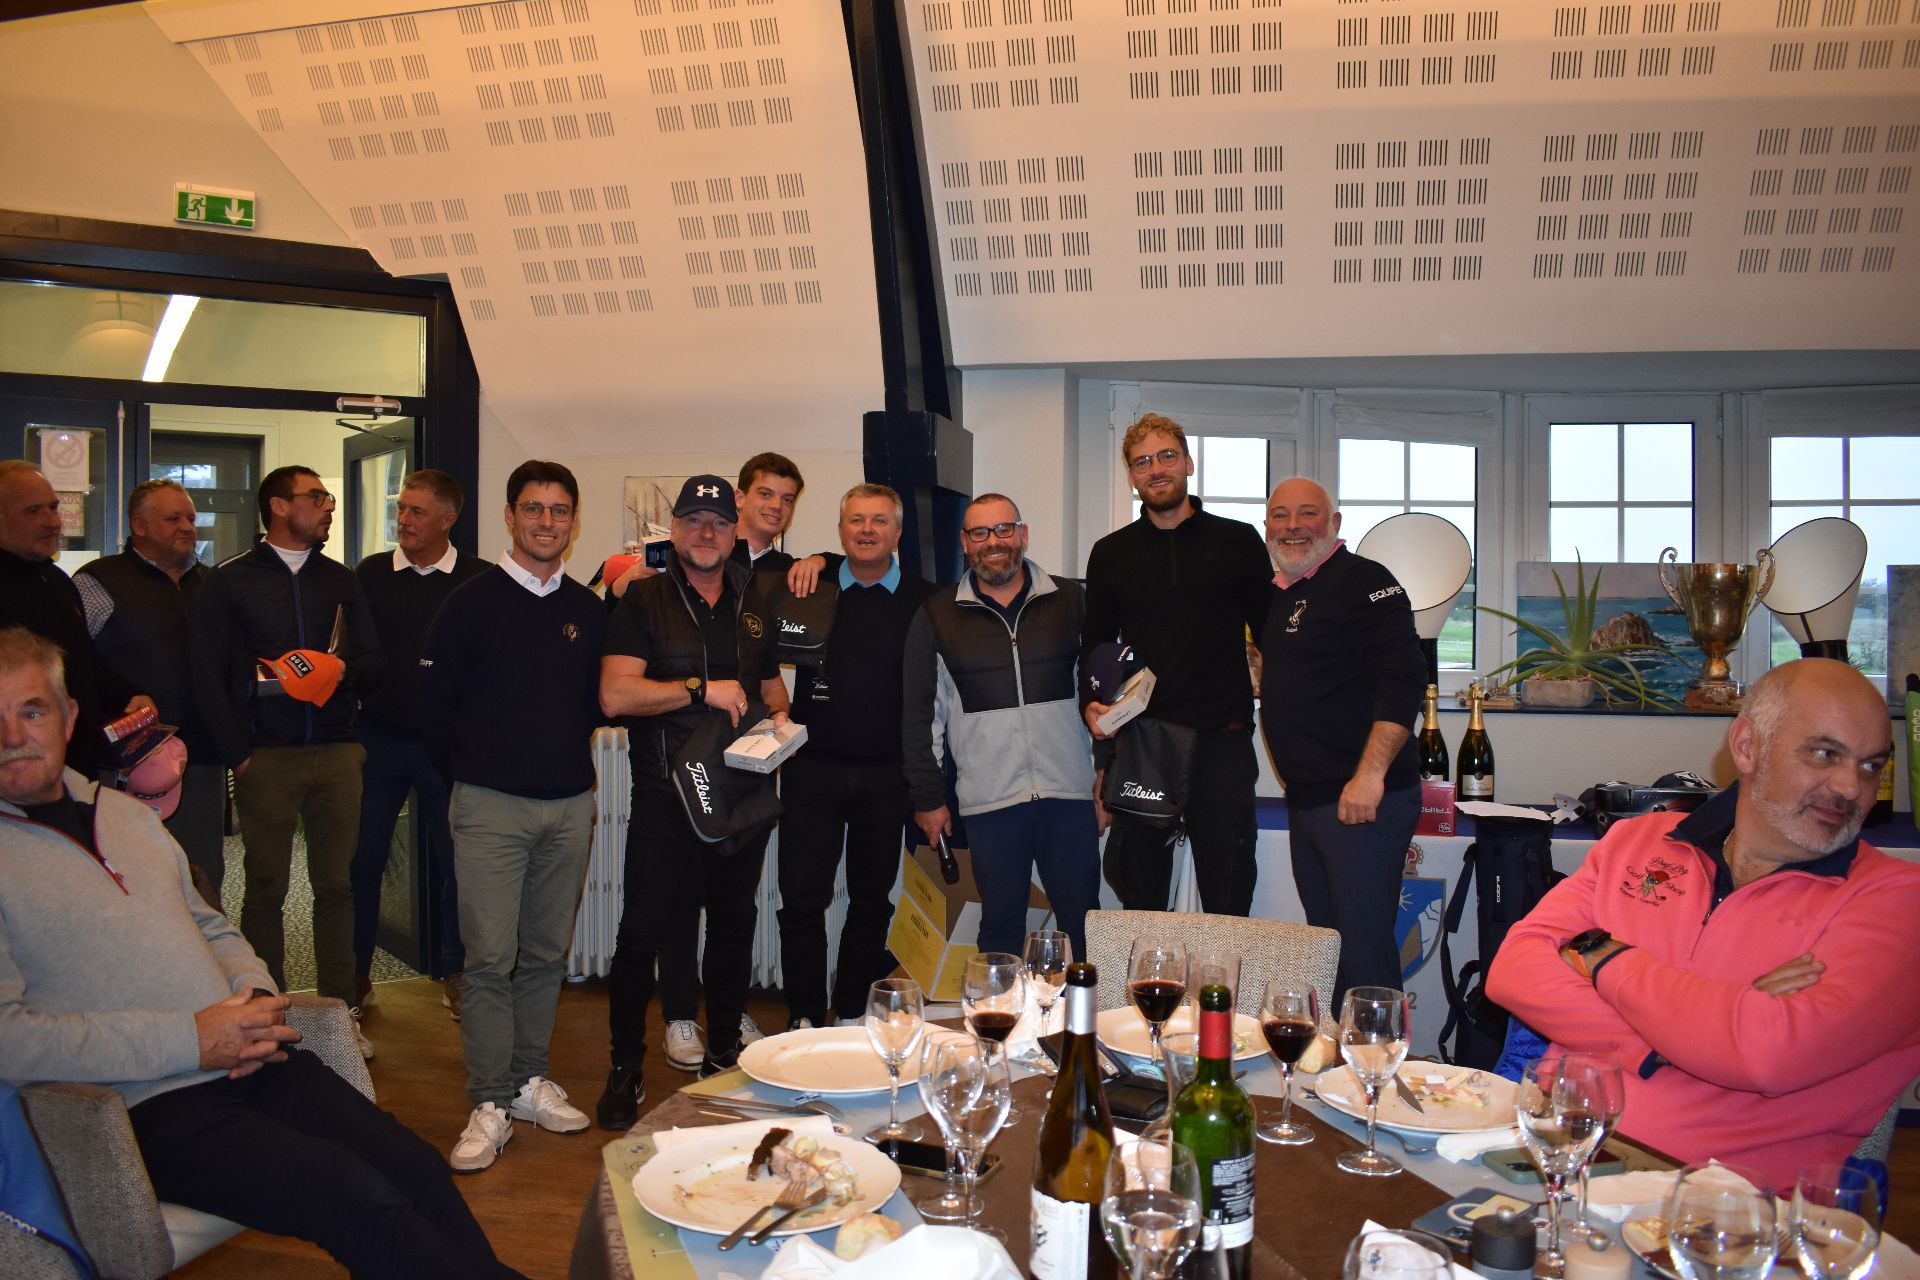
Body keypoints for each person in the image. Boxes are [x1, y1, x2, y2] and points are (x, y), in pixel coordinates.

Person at [0, 626, 527, 1280]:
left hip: (251, 1060)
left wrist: (253, 997)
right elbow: (11, 1041)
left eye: (31, 711)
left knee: (413, 1166)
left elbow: (210, 925)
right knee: (352, 1196)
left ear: (69, 716)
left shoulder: (127, 815)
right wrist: (193, 1040)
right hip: (141, 1106)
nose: (13, 735)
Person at [1486, 658, 1920, 1187]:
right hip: (1553, 1157)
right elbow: (1514, 969)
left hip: (1730, 1206)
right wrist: (1695, 1032)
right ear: (1747, 746)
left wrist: (1602, 956)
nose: (1851, 787)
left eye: (1871, 765)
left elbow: (1766, 1054)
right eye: (1825, 753)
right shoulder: (1638, 841)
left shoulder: (1899, 901)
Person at [421, 460, 605, 1172]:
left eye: (559, 510)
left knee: (546, 956)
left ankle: (528, 1081)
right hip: (489, 807)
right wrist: (474, 779)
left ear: (574, 521)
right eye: (533, 508)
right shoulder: (468, 604)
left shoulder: (588, 610)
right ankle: (490, 1100)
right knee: (490, 961)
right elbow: (435, 712)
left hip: (569, 805)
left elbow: (592, 706)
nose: (546, 522)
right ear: (509, 515)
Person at [597, 475, 790, 1125]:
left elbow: (770, 685)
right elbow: (616, 696)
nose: (707, 532)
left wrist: (780, 723)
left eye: (719, 522)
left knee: (734, 925)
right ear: (675, 530)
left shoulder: (753, 599)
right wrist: (699, 689)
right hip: (667, 796)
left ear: (735, 533)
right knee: (640, 933)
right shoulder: (643, 600)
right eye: (694, 520)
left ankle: (724, 1055)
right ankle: (625, 1068)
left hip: (741, 795)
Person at [189, 465, 383, 1051]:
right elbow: (207, 676)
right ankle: (267, 1020)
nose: (329, 506)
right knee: (266, 890)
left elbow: (374, 663)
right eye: (316, 497)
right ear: (278, 506)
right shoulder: (228, 582)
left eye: (328, 497)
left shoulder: (341, 580)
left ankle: (340, 1016)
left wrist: (341, 670)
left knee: (337, 887)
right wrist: (238, 755)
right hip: (265, 759)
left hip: (339, 753)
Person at [1080, 415, 1272, 915]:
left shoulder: (1238, 541)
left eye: (1167, 456)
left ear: (1188, 463)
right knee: (1140, 897)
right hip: (1145, 741)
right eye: (1142, 461)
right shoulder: (1110, 553)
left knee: (1229, 896)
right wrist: (1092, 707)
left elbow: (1273, 635)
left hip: (1222, 739)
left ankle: (1226, 974)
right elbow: (1096, 647)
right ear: (1132, 476)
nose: (1156, 469)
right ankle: (1148, 973)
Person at [903, 493, 1102, 961]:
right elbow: (919, 716)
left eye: (1003, 529)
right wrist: (928, 798)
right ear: (965, 543)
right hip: (989, 803)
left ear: (1022, 534)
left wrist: (1105, 775)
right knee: (1000, 927)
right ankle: (1000, 1011)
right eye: (980, 532)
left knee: (1084, 925)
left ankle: (1083, 1011)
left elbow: (1100, 694)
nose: (993, 542)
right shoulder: (937, 615)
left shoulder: (1071, 601)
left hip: (1069, 797)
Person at [1256, 477, 1427, 1006]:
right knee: (1328, 953)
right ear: (1267, 527)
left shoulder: (1363, 581)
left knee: (1364, 958)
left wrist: (1370, 775)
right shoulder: (1282, 593)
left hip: (1361, 800)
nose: (1293, 526)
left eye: (1307, 513)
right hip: (1310, 800)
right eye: (1280, 515)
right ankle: (1337, 1058)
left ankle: (1381, 1058)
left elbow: (1403, 680)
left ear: (1334, 524)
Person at [776, 484, 935, 1030]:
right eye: (856, 520)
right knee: (802, 899)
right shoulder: (808, 586)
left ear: (898, 532)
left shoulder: (925, 600)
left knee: (871, 901)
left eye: (879, 521)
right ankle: (803, 1014)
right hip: (811, 770)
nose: (867, 530)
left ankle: (848, 1011)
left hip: (886, 775)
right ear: (841, 531)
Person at [350, 469, 489, 1019]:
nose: (403, 520)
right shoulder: (369, 574)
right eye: (401, 509)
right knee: (363, 860)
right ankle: (355, 976)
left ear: (448, 520)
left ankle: (457, 974)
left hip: (447, 748)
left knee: (457, 863)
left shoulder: (477, 580)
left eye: (416, 511)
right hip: (378, 741)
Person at [74, 479, 225, 897]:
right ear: (138, 525)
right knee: (132, 875)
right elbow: (74, 662)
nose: (187, 527)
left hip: (202, 758)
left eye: (190, 518)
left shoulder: (212, 584)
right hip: (127, 763)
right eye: (173, 518)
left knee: (202, 874)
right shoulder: (99, 582)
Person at [0, 459, 152, 776]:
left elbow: (82, 660)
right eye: (33, 511)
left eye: (53, 508)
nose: (52, 522)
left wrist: (126, 695)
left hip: (73, 767)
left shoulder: (55, 580)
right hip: (17, 768)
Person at [606, 452, 806, 600]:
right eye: (765, 494)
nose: (776, 506)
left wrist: (818, 560)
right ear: (739, 498)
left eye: (787, 499)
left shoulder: (791, 571)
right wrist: (617, 590)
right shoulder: (689, 553)